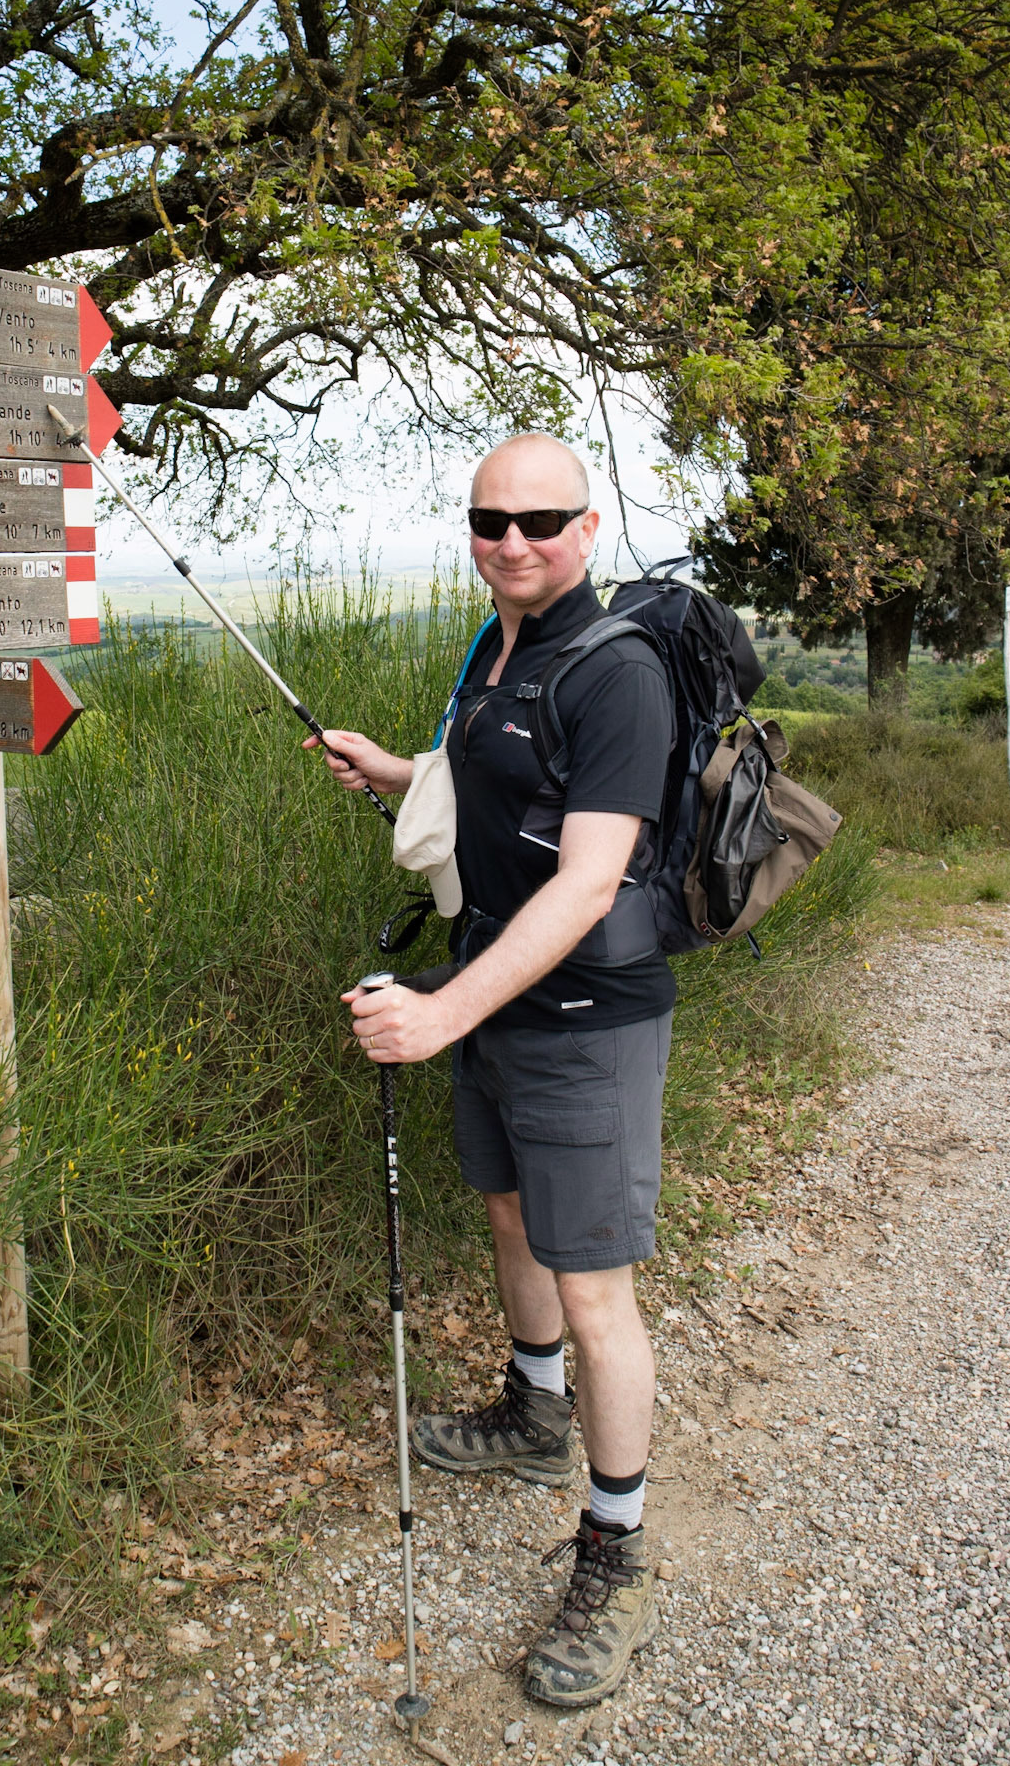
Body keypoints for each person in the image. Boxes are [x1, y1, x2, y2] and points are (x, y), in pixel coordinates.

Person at [308, 432, 675, 1711]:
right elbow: (500, 793)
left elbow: (587, 879)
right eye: (489, 520)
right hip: (493, 1000)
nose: (512, 541)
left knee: (596, 1290)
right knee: (511, 1217)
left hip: (584, 1020)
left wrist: (440, 1012)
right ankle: (533, 1415)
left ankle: (616, 1551)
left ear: (588, 529)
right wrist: (398, 770)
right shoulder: (496, 648)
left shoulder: (618, 671)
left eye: (540, 520)